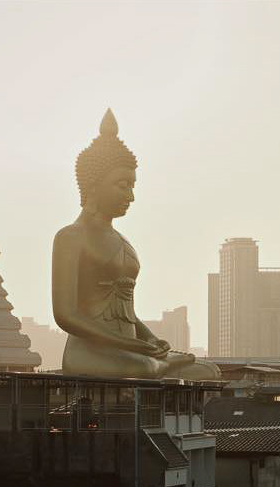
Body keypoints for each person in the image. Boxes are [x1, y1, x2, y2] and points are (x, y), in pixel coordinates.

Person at [52, 110, 218, 380]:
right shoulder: (70, 237)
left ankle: (161, 363)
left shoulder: (121, 240)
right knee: (142, 368)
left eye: (132, 186)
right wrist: (128, 345)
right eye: (122, 185)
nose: (130, 196)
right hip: (90, 353)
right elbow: (65, 315)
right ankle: (161, 366)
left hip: (132, 350)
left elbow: (127, 313)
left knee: (208, 371)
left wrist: (150, 339)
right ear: (93, 185)